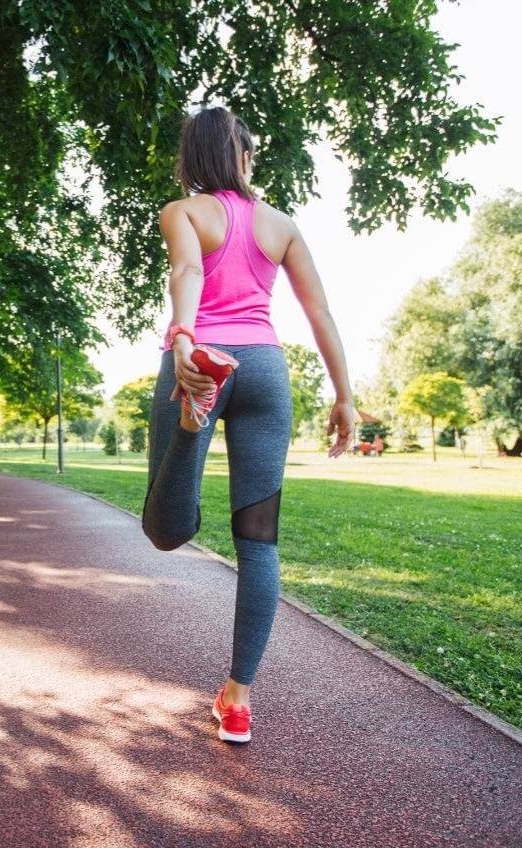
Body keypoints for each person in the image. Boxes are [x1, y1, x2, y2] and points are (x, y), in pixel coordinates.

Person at [141, 106, 357, 745]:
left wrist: (185, 339)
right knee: (259, 541)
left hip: (206, 362)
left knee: (164, 529)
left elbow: (187, 272)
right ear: (238, 156)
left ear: (191, 160)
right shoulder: (281, 225)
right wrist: (344, 395)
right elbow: (318, 310)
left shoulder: (183, 213)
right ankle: (237, 699)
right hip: (265, 370)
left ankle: (189, 422)